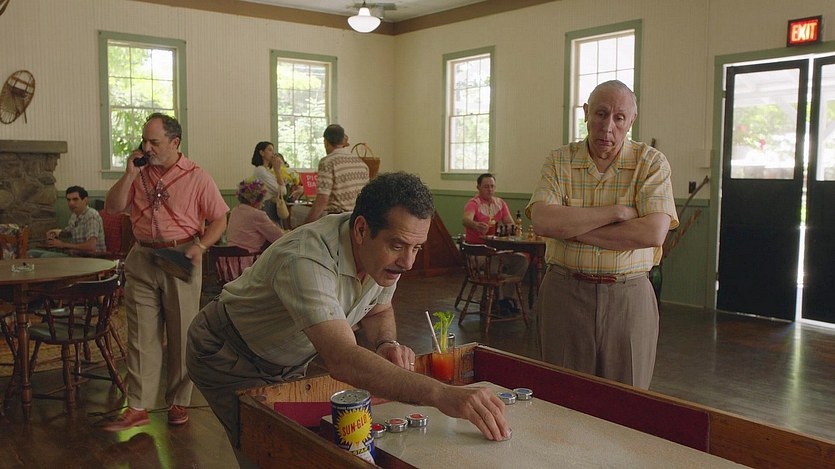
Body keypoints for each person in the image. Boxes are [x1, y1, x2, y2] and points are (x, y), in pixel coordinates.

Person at [187, 172, 510, 459]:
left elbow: (378, 308)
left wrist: (386, 343)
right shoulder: (306, 258)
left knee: (297, 447)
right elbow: (342, 359)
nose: (408, 263)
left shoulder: (382, 254)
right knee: (270, 451)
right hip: (226, 352)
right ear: (361, 229)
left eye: (417, 248)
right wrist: (440, 393)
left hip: (285, 357)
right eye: (398, 246)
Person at [527, 80, 679, 389]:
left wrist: (571, 230)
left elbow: (653, 233)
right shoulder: (559, 160)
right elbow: (543, 221)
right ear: (586, 113)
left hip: (629, 298)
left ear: (631, 120)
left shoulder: (651, 163)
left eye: (619, 117)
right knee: (561, 398)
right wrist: (617, 213)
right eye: (600, 113)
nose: (608, 126)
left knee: (627, 402)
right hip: (563, 294)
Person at [103, 113, 229, 431]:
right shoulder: (139, 172)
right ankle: (138, 405)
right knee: (140, 335)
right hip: (142, 256)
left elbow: (219, 218)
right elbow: (113, 207)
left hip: (180, 255)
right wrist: (129, 175)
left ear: (175, 142)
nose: (146, 148)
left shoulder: (197, 176)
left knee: (181, 333)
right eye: (144, 141)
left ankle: (178, 401)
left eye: (154, 142)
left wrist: (201, 246)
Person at [462, 173, 529, 314]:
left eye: (492, 186)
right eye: (486, 186)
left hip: (496, 251)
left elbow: (510, 223)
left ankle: (507, 298)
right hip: (477, 252)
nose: (490, 189)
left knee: (521, 260)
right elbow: (466, 220)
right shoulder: (473, 204)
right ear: (478, 187)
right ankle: (495, 300)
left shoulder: (500, 203)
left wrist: (508, 228)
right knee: (495, 261)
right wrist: (475, 225)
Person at [302, 124, 369, 224]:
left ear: (326, 142)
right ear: (342, 141)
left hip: (338, 221)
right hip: (358, 219)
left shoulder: (327, 162)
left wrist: (305, 226)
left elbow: (322, 199)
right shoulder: (361, 164)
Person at [225, 178, 284, 276]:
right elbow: (279, 236)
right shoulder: (257, 215)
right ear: (258, 199)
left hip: (229, 265)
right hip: (248, 265)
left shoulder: (235, 211)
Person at [28, 186, 106, 257]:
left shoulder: (91, 216)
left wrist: (63, 244)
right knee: (31, 253)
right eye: (68, 200)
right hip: (75, 254)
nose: (71, 203)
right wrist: (55, 232)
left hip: (90, 258)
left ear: (85, 200)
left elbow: (91, 247)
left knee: (46, 257)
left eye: (75, 199)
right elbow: (68, 232)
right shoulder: (74, 215)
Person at [250, 141, 286, 223]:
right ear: (262, 153)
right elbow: (283, 191)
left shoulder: (267, 170)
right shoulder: (261, 171)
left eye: (273, 150)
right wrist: (277, 170)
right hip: (267, 206)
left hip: (271, 205)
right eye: (270, 150)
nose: (273, 153)